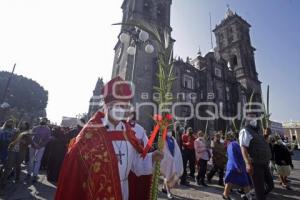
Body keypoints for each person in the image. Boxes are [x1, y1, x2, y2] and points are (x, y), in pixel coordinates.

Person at [55, 76, 164, 200]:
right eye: (116, 105)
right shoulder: (90, 133)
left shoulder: (128, 132)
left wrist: (151, 158)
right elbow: (75, 173)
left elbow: (135, 165)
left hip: (124, 191)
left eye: (124, 106)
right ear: (106, 106)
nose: (120, 109)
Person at [239, 112, 274, 200]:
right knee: (260, 193)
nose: (253, 118)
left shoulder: (258, 131)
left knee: (270, 185)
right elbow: (243, 147)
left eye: (254, 116)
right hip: (255, 164)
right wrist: (247, 163)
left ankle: (249, 196)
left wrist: (266, 134)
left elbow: (262, 144)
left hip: (264, 163)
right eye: (251, 116)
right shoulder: (245, 130)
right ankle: (255, 196)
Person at [127, 111, 152, 200]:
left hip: (137, 157)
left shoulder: (140, 129)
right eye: (130, 117)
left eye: (133, 117)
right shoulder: (123, 127)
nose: (132, 119)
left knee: (135, 183)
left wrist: (140, 144)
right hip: (126, 158)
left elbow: (146, 145)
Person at [0, 122, 32, 188]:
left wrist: (24, 141)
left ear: (27, 126)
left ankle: (17, 178)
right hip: (12, 151)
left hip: (20, 152)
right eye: (22, 124)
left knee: (17, 165)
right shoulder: (16, 131)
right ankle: (4, 181)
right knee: (8, 166)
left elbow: (29, 142)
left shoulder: (28, 133)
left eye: (24, 124)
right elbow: (11, 139)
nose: (23, 125)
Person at [223, 132, 252, 200]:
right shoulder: (232, 144)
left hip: (240, 166)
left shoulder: (238, 144)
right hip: (234, 167)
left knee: (245, 182)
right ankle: (225, 195)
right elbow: (233, 157)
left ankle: (248, 197)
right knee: (229, 182)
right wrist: (237, 167)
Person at [26, 117, 51, 183]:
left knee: (38, 161)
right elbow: (30, 136)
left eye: (44, 120)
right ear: (40, 121)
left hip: (41, 147)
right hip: (32, 145)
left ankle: (35, 175)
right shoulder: (35, 127)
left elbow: (48, 139)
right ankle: (29, 173)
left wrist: (41, 145)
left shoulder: (48, 129)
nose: (43, 121)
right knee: (31, 160)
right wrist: (33, 143)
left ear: (46, 122)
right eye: (42, 120)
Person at [160, 131, 183, 199]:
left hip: (172, 160)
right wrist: (169, 158)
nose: (169, 132)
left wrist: (175, 158)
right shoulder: (163, 138)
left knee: (168, 175)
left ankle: (164, 188)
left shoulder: (173, 139)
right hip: (166, 160)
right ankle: (168, 192)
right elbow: (163, 149)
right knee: (167, 175)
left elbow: (176, 149)